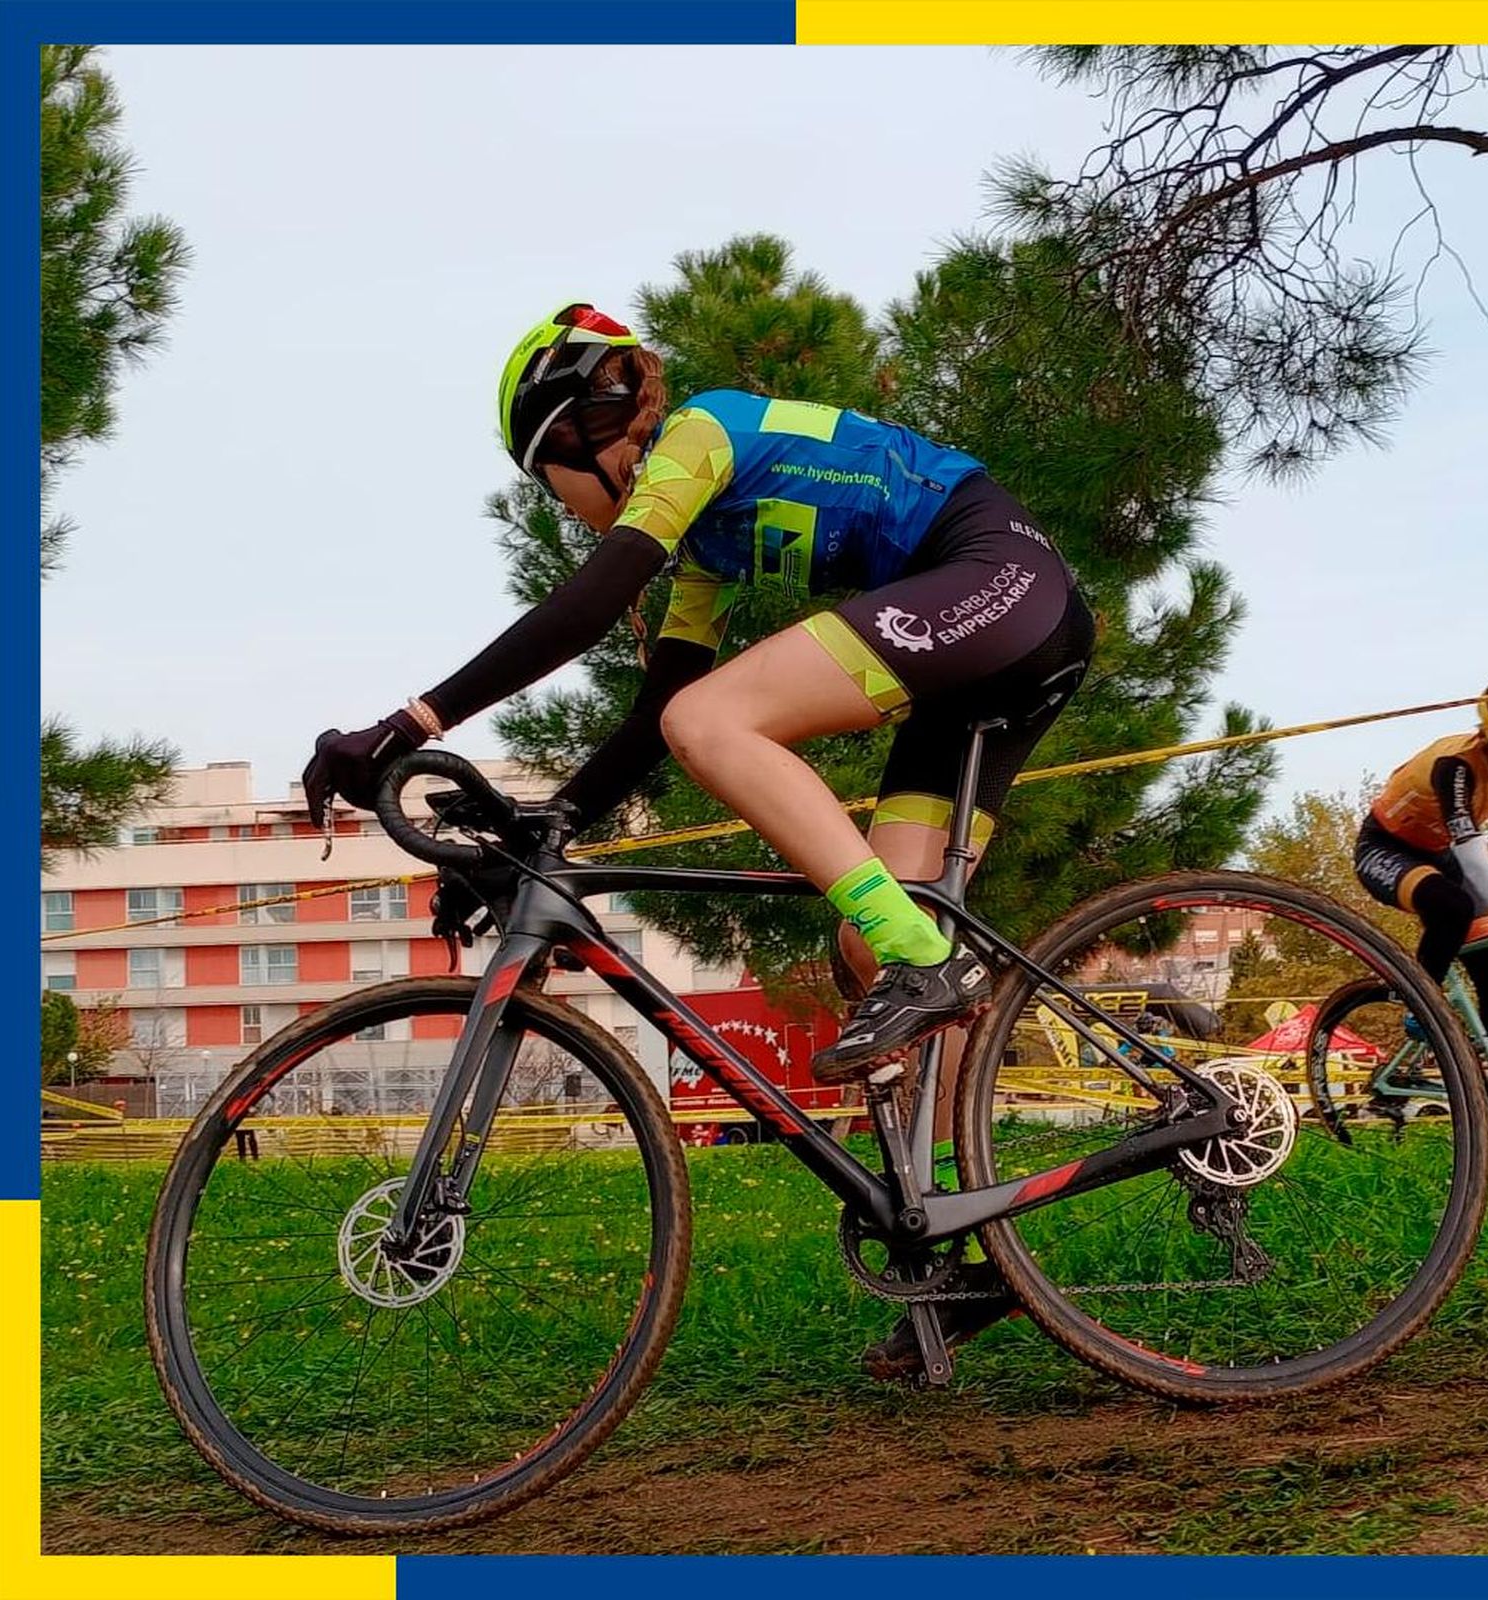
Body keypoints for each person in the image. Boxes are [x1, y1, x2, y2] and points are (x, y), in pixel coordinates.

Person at [302, 302, 1096, 1370]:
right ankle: (970, 1250)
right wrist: (544, 828)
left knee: (726, 732)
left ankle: (920, 960)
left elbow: (593, 607)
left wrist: (411, 722)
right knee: (875, 936)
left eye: (551, 487)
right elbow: (651, 711)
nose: (566, 513)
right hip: (997, 634)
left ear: (578, 432)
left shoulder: (701, 438)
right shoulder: (712, 538)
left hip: (995, 578)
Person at [1353, 677, 1488, 1130]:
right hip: (1387, 849)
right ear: (1486, 738)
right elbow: (1476, 860)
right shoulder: (1455, 767)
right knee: (1452, 908)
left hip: (1441, 855)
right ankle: (1421, 1005)